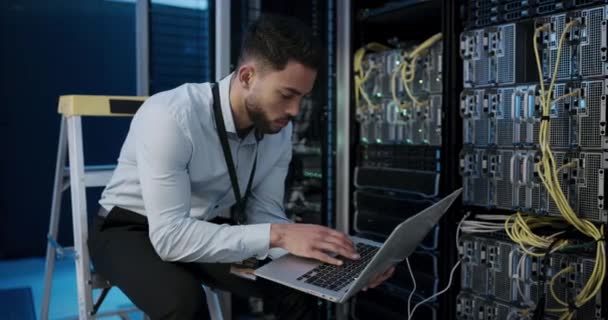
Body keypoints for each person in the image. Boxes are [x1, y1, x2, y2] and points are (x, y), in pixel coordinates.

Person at [88, 14, 394, 320]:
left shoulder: (278, 130)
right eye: (287, 94)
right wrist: (281, 235)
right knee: (183, 303)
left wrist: (334, 263)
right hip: (128, 230)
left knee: (298, 283)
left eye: (302, 97)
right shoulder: (170, 116)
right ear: (247, 77)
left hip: (202, 226)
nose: (295, 111)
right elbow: (170, 238)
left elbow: (264, 215)